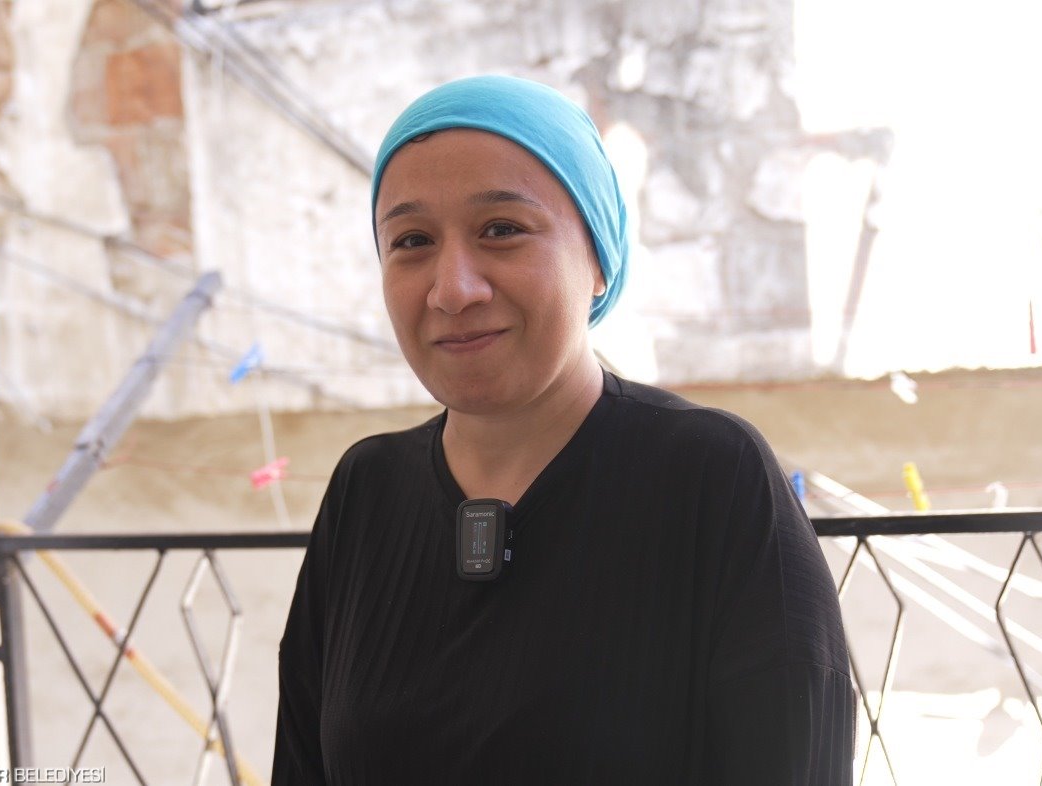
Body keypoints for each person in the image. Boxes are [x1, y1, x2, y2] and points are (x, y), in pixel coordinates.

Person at [272, 75, 854, 785]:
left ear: (599, 259)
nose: (453, 289)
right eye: (412, 240)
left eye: (501, 230)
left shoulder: (710, 475)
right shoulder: (366, 490)